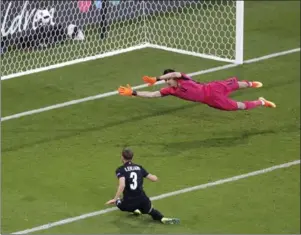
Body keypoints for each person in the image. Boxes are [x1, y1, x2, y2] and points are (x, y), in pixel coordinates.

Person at [117, 69, 276, 111]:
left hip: (212, 87)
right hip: (211, 99)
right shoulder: (170, 91)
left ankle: (250, 84)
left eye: (167, 80)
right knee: (238, 106)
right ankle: (261, 102)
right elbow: (151, 94)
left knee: (235, 84)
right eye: (165, 81)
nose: (166, 83)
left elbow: (175, 73)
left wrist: (156, 78)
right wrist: (134, 93)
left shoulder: (182, 77)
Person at [105, 148, 180, 225]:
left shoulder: (120, 170)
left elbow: (122, 185)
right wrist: (156, 177)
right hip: (143, 199)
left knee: (119, 203)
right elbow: (154, 179)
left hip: (129, 202)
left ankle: (134, 209)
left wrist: (115, 199)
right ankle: (162, 218)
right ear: (132, 157)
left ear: (122, 157)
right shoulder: (139, 167)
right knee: (150, 211)